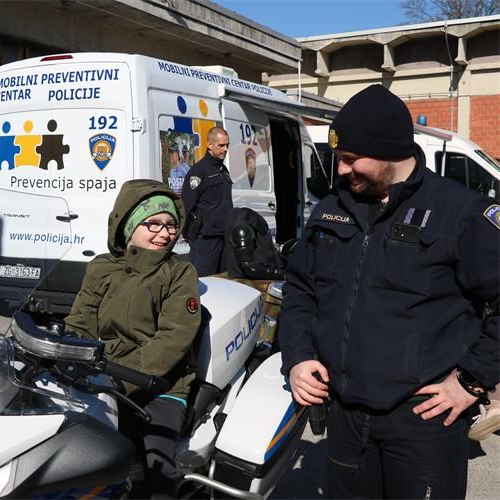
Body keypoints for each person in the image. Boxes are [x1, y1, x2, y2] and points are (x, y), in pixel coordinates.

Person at [278, 84, 500, 499]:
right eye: (338, 159)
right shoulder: (332, 208)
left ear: (389, 151)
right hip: (345, 416)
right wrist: (298, 357)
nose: (341, 171)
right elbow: (300, 289)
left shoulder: (459, 213)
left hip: (424, 421)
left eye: (350, 159)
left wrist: (472, 380)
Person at [65, 179, 201, 497]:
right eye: (153, 223)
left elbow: (174, 337)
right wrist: (67, 353)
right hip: (103, 373)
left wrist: (120, 380)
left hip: (161, 383)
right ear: (128, 224)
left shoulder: (179, 272)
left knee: (157, 461)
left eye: (170, 225)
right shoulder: (101, 268)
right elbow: (80, 321)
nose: (164, 233)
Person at [181, 126, 233, 276]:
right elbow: (187, 203)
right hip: (206, 238)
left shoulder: (223, 170)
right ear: (209, 144)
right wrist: (186, 231)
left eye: (227, 145)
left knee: (224, 280)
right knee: (203, 280)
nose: (225, 149)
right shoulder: (198, 171)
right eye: (221, 145)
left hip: (224, 235)